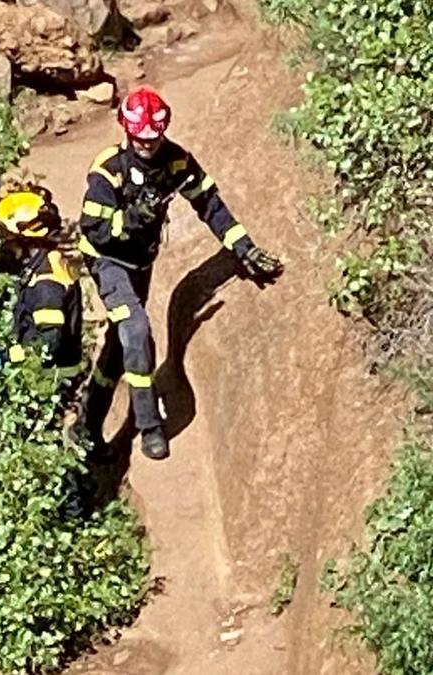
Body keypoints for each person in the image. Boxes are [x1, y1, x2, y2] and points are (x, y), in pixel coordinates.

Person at [77, 86, 284, 461]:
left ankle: (87, 424)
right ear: (126, 131)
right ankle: (149, 427)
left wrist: (244, 248)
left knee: (120, 345)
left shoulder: (176, 162)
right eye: (140, 139)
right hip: (107, 262)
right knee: (137, 330)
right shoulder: (108, 170)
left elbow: (210, 204)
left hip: (141, 263)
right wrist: (129, 220)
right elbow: (92, 229)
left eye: (153, 139)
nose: (147, 146)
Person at [0, 186, 88, 383]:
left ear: (26, 240)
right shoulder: (49, 261)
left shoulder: (46, 284)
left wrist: (5, 356)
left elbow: (46, 345)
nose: (5, 245)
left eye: (8, 239)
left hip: (49, 380)